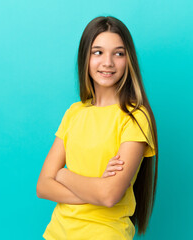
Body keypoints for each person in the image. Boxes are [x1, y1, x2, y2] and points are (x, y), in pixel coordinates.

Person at [36, 16, 159, 240]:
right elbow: (43, 186)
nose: (108, 62)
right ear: (86, 57)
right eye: (98, 52)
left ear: (128, 59)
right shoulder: (74, 112)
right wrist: (95, 191)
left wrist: (63, 174)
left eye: (118, 53)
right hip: (57, 233)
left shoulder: (135, 117)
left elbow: (110, 195)